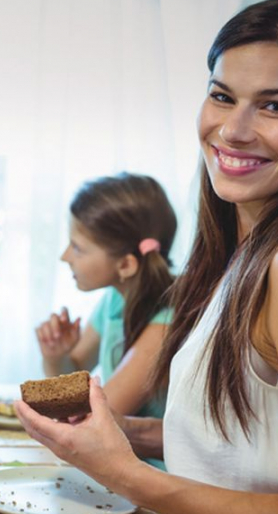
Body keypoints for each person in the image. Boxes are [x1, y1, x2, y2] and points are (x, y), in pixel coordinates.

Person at [16, 0, 278, 514]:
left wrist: (123, 474)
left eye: (275, 107)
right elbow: (243, 451)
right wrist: (125, 435)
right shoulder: (250, 252)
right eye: (223, 96)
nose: (234, 130)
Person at [35, 173, 175, 468]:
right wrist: (56, 356)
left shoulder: (166, 322)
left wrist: (50, 401)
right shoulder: (116, 298)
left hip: (149, 486)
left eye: (78, 248)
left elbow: (97, 418)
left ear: (125, 264)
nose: (65, 257)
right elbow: (73, 377)